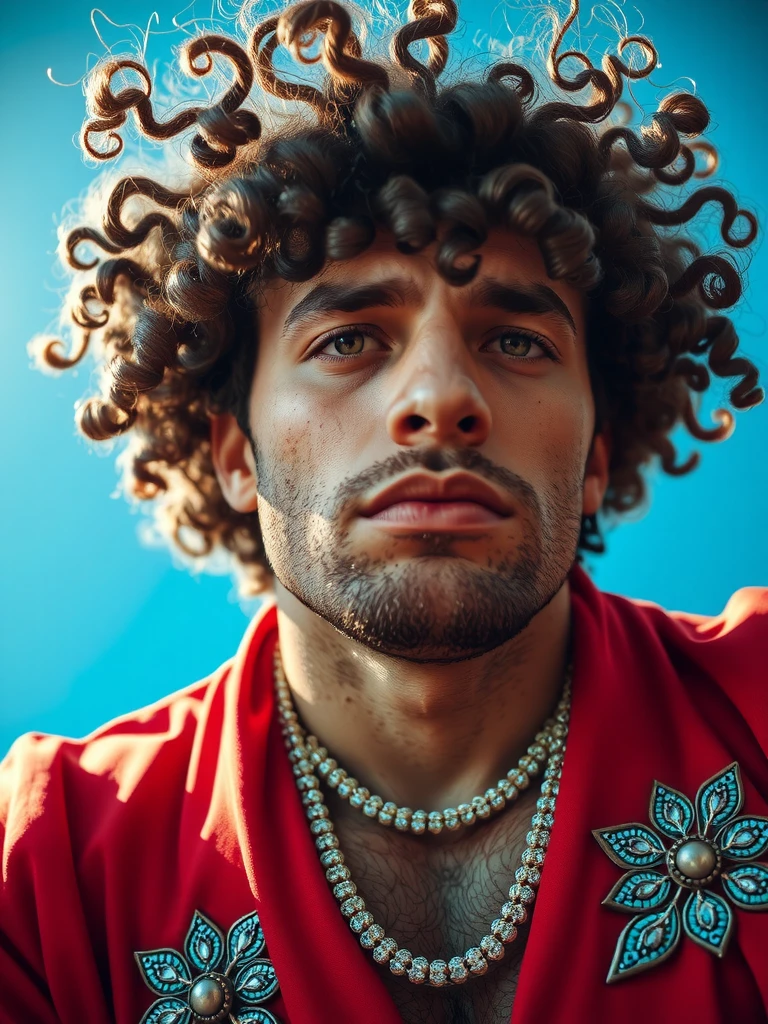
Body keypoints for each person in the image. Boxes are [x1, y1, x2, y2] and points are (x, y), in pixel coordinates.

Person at [1, 0, 766, 1021]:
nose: (439, 396)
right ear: (235, 453)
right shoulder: (51, 863)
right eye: (350, 340)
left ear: (597, 454)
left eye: (518, 341)